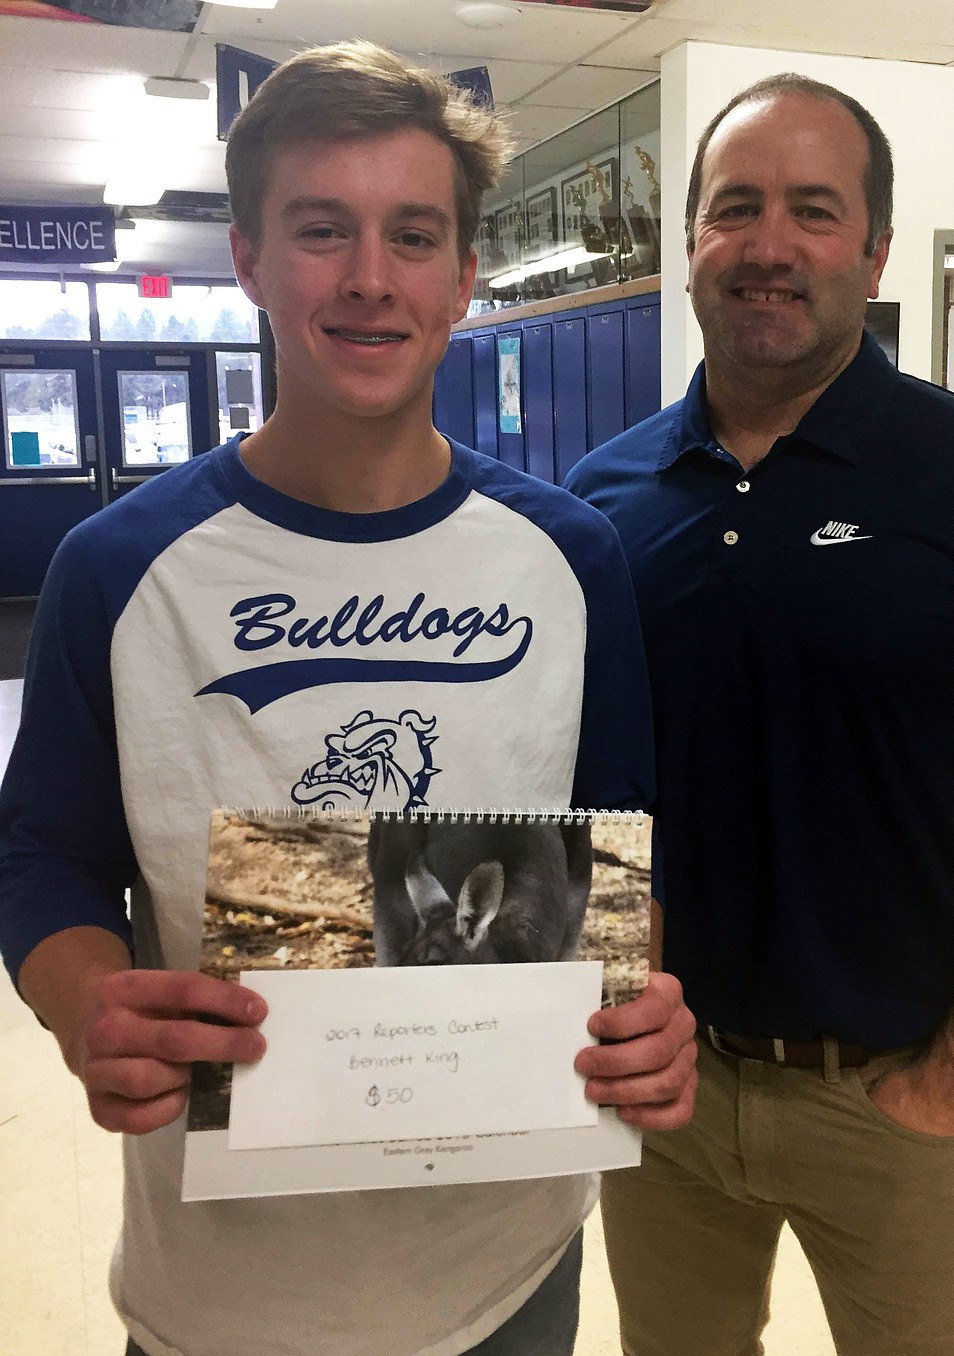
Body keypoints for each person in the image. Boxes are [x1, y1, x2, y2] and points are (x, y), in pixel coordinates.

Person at [0, 42, 696, 1356]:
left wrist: (638, 1007)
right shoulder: (116, 567)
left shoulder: (570, 558)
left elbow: (617, 842)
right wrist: (84, 998)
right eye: (322, 230)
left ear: (461, 274)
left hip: (508, 1264)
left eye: (412, 234)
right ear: (250, 262)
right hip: (223, 1293)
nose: (369, 278)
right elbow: (44, 859)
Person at [566, 72, 954, 1356]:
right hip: (660, 1095)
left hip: (895, 1102)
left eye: (815, 210)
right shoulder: (600, 502)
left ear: (877, 246)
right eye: (735, 207)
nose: (769, 244)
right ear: (689, 244)